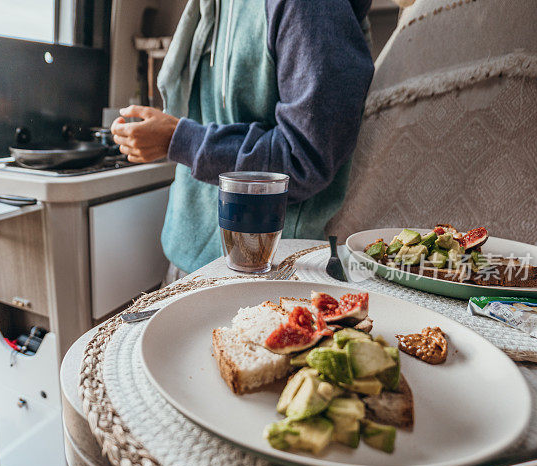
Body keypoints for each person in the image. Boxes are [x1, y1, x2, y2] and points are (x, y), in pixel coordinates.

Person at [111, 0, 374, 278]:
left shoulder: (310, 6)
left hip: (272, 267)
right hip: (189, 256)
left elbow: (303, 157)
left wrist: (179, 140)